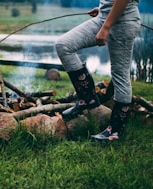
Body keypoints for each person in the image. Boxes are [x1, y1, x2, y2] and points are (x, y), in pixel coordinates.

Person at [55, 0, 141, 142]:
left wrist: (106, 26)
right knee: (64, 45)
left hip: (123, 21)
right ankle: (87, 99)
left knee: (120, 74)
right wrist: (104, 9)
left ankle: (115, 130)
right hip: (105, 17)